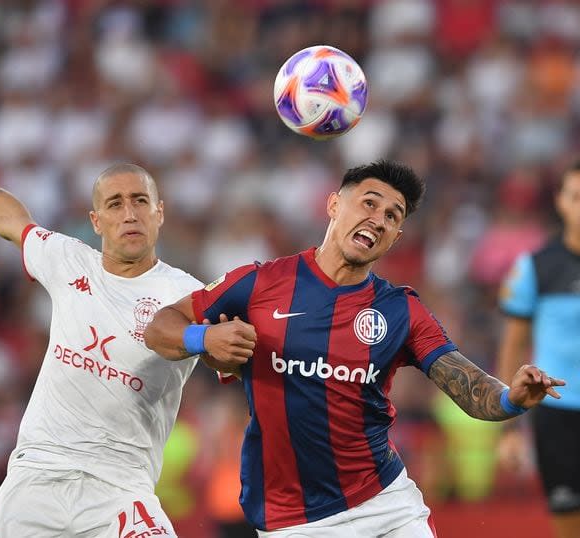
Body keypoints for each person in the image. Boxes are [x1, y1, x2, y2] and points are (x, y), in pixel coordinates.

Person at [143, 159, 565, 537]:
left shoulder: (401, 310)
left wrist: (513, 398)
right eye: (369, 203)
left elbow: (471, 389)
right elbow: (161, 326)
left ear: (395, 236)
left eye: (391, 216)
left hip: (386, 503)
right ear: (333, 205)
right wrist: (203, 339)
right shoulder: (260, 283)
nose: (378, 219)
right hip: (293, 520)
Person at [0, 125, 204, 538]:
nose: (130, 213)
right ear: (96, 221)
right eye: (115, 204)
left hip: (119, 488)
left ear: (160, 212)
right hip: (37, 475)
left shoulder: (189, 294)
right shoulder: (68, 261)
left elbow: (229, 354)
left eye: (140, 201)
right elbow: (5, 216)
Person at [497, 161, 580, 538]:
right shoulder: (535, 268)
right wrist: (508, 428)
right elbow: (513, 347)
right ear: (561, 202)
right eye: (576, 197)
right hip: (557, 415)